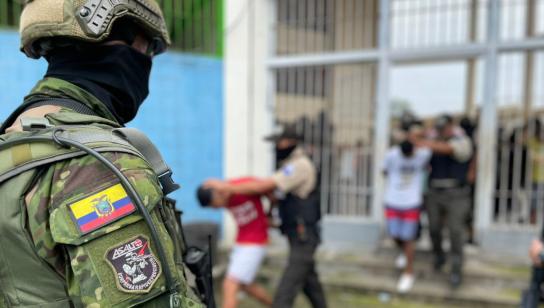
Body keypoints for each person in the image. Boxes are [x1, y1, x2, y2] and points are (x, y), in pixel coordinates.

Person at [0, 1, 205, 307]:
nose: (146, 64)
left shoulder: (12, 142)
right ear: (115, 35)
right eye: (148, 49)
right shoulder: (97, 164)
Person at [206, 126, 327, 308]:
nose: (277, 147)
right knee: (310, 283)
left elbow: (264, 187)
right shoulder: (289, 165)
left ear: (290, 142)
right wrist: (270, 216)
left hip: (304, 235)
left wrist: (225, 187)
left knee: (287, 288)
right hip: (297, 233)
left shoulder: (299, 165)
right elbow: (277, 196)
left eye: (279, 143)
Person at [414, 114, 473, 288]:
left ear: (451, 127)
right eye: (439, 128)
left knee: (455, 232)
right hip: (434, 192)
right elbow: (410, 139)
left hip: (457, 193)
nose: (442, 131)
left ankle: (456, 269)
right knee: (433, 228)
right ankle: (439, 256)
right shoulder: (432, 139)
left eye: (444, 127)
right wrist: (425, 132)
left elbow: (448, 149)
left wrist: (426, 141)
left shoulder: (462, 140)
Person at [196, 178, 272, 308]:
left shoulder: (240, 185)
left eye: (215, 204)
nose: (217, 208)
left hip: (255, 243)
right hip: (241, 243)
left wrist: (226, 187)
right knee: (245, 286)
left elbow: (264, 187)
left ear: (216, 193)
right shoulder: (224, 197)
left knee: (229, 285)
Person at [383, 140, 432, 293]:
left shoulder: (422, 154)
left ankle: (408, 273)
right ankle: (404, 253)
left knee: (409, 238)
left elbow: (429, 147)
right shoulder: (391, 155)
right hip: (393, 201)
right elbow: (384, 171)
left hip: (412, 203)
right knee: (394, 234)